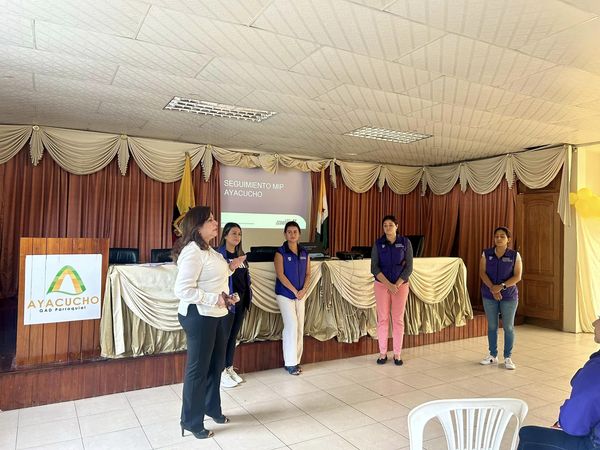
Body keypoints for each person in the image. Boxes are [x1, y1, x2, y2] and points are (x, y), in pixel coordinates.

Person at [172, 206, 246, 439]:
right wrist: (215, 299)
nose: (216, 223)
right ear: (197, 227)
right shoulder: (192, 251)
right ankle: (191, 421)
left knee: (215, 366)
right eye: (210, 220)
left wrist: (231, 268)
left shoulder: (209, 250)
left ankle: (211, 409)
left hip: (216, 314)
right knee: (198, 370)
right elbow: (182, 290)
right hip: (199, 316)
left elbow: (215, 276)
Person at [517, 318, 600, 450]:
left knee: (527, 435)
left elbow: (573, 424)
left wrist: (562, 421)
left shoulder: (596, 368)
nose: (594, 323)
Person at [371, 215, 413, 366]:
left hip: (400, 286)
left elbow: (409, 267)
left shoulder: (405, 243)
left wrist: (397, 284)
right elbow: (374, 268)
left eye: (390, 225)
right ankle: (383, 353)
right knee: (383, 319)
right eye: (385, 225)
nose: (387, 227)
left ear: (396, 226)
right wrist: (388, 284)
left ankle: (397, 354)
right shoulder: (378, 244)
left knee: (398, 319)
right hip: (382, 285)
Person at [479, 226, 522, 370]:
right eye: (496, 236)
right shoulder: (486, 254)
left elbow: (517, 276)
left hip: (508, 295)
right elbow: (482, 273)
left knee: (508, 327)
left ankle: (508, 357)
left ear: (508, 239)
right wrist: (493, 288)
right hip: (489, 294)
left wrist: (501, 287)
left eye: (502, 236)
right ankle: (492, 355)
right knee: (492, 326)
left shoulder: (514, 255)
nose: (499, 238)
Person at [217, 222, 252, 388]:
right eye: (233, 233)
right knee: (223, 337)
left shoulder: (241, 255)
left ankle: (229, 367)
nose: (237, 236)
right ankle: (220, 371)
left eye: (239, 234)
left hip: (241, 300)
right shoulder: (219, 255)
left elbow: (245, 277)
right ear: (225, 235)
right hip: (227, 302)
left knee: (233, 337)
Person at [274, 221, 311, 375]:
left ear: (299, 234)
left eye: (295, 231)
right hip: (285, 294)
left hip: (300, 295)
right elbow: (280, 275)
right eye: (289, 232)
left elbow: (308, 274)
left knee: (299, 327)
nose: (292, 234)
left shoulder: (304, 253)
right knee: (291, 325)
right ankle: (290, 363)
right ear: (285, 234)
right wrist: (295, 291)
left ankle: (296, 360)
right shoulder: (280, 252)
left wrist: (303, 290)